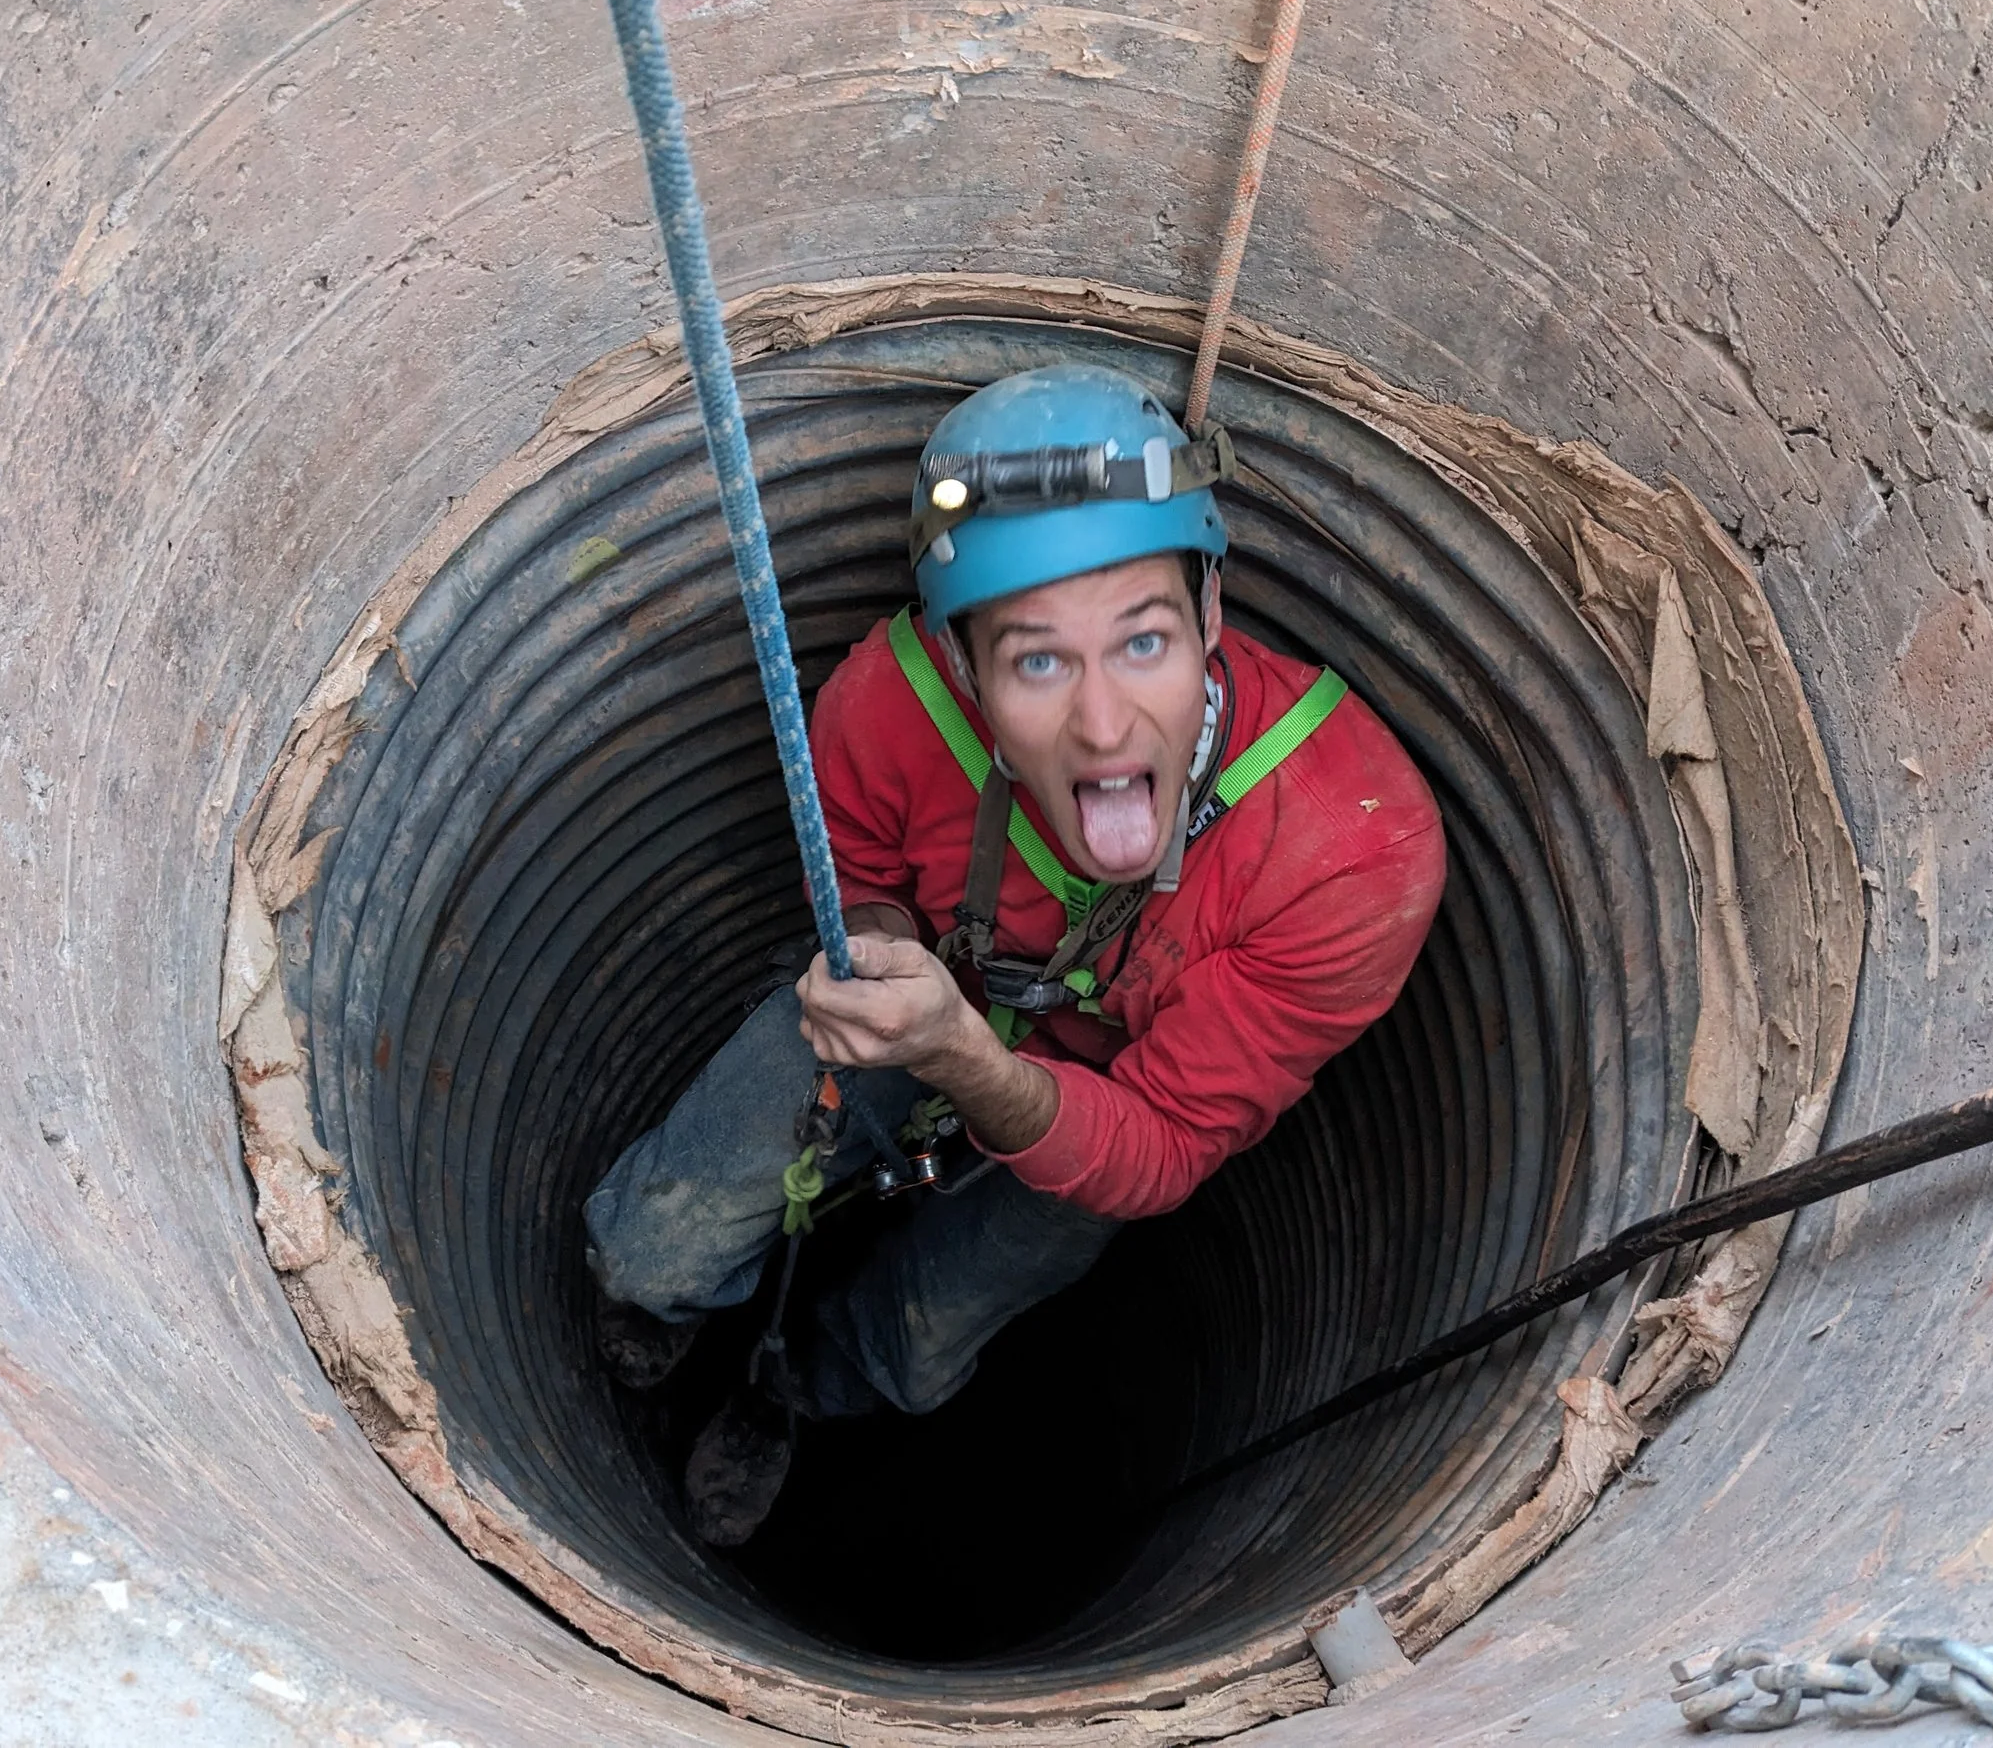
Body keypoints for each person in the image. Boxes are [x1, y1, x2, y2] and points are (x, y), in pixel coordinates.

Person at [583, 363, 1446, 1545]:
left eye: (1142, 641)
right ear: (969, 666)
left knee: (923, 1341)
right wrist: (889, 974)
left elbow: (1161, 1146)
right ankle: (673, 1304)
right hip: (929, 996)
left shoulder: (1355, 849)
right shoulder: (890, 704)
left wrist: (959, 1055)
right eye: (1038, 661)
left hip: (1099, 1104)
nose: (1101, 725)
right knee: (652, 1236)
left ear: (1210, 616)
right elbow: (862, 873)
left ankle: (789, 1391)